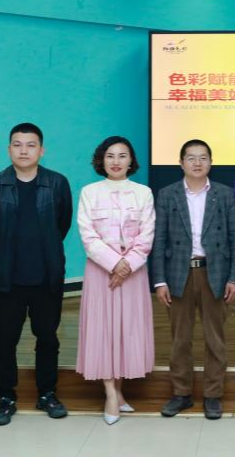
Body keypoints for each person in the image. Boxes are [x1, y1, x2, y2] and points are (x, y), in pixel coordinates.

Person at [0, 123, 74, 426]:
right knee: (5, 342)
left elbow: (62, 224)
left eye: (30, 145)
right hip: (7, 279)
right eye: (17, 144)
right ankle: (6, 397)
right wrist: (4, 251)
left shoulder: (57, 183)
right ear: (9, 149)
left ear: (41, 150)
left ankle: (47, 393)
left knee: (48, 340)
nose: (23, 150)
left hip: (47, 278)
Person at [151, 140, 235, 420]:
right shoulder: (167, 194)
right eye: (191, 158)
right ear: (181, 163)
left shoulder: (224, 194)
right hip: (178, 274)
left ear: (211, 162)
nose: (197, 163)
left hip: (214, 273)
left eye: (203, 158)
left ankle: (213, 395)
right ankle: (181, 393)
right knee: (180, 339)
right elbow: (159, 240)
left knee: (215, 339)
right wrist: (159, 281)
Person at [76, 136, 156, 425]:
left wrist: (127, 265)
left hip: (132, 273)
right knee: (104, 331)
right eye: (110, 156)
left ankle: (120, 393)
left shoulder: (143, 193)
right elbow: (87, 235)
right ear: (101, 160)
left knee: (125, 330)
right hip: (101, 272)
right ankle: (110, 394)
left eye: (122, 156)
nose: (116, 161)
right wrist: (113, 264)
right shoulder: (90, 192)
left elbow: (147, 233)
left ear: (131, 161)